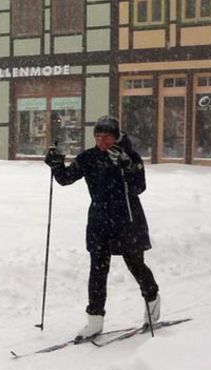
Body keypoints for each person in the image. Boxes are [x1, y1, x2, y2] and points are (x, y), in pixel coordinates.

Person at [46, 115, 161, 340]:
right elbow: (66, 179)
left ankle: (152, 299)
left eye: (106, 137)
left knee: (135, 264)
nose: (101, 142)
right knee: (97, 270)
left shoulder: (130, 156)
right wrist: (56, 164)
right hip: (100, 220)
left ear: (116, 136)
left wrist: (127, 166)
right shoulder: (89, 157)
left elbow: (139, 187)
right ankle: (95, 320)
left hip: (127, 219)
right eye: (98, 137)